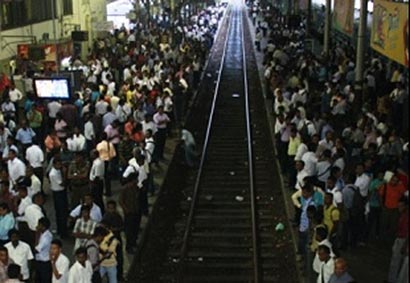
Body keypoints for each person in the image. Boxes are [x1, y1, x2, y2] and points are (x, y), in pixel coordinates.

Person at [386, 197, 409, 283]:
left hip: (402, 240)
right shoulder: (403, 214)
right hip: (400, 239)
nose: (399, 208)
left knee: (395, 262)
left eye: (401, 206)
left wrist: (405, 245)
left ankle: (392, 280)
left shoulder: (406, 216)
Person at [119, 172, 141, 254]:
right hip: (129, 212)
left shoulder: (136, 188)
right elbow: (121, 201)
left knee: (135, 229)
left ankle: (134, 243)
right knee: (130, 230)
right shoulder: (125, 188)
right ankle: (129, 246)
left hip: (136, 211)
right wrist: (126, 209)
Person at [49, 158, 68, 238]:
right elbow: (62, 184)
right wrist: (65, 174)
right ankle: (62, 232)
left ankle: (61, 229)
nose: (60, 166)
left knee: (62, 212)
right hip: (58, 193)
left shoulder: (57, 171)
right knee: (61, 213)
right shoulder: (53, 173)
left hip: (61, 192)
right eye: (58, 164)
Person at [34, 217, 52, 283]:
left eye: (39, 225)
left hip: (44, 263)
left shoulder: (46, 238)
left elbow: (36, 250)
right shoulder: (42, 233)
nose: (37, 226)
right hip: (39, 261)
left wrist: (37, 234)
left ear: (43, 227)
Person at [89, 150, 105, 214]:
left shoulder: (98, 163)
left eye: (91, 154)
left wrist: (92, 184)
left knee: (97, 199)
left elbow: (97, 176)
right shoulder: (96, 162)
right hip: (96, 182)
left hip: (96, 183)